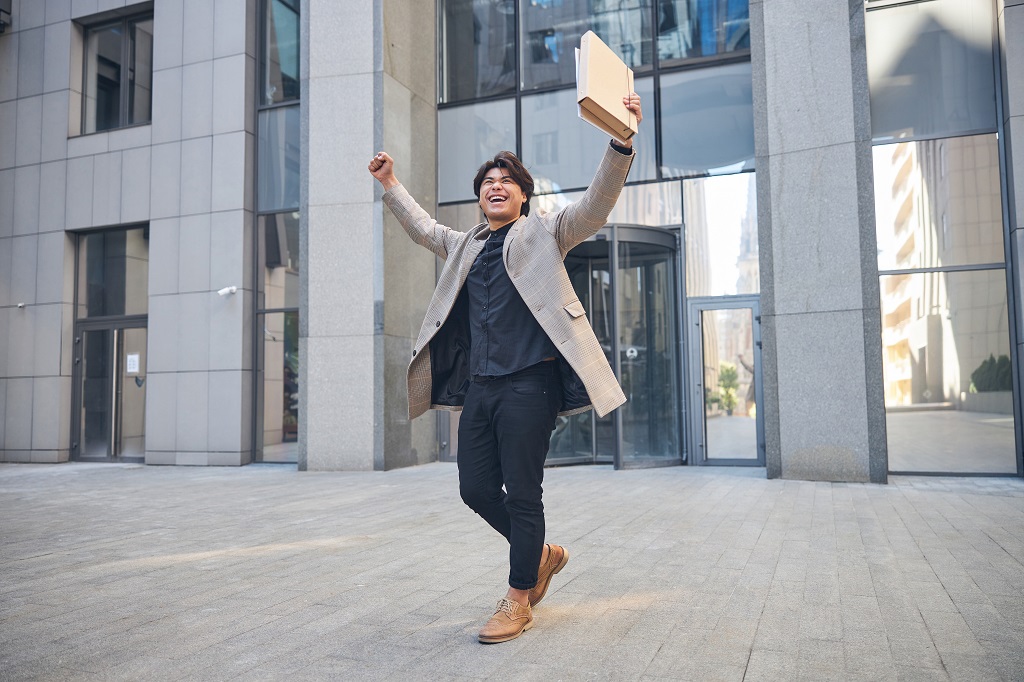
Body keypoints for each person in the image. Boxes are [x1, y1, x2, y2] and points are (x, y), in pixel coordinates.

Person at [368, 93, 642, 644]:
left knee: (523, 492)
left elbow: (594, 206)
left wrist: (622, 143)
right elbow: (424, 229)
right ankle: (539, 553)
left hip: (531, 383)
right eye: (488, 182)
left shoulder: (546, 233)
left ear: (523, 195)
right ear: (479, 198)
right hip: (481, 388)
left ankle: (518, 598)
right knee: (474, 489)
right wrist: (390, 184)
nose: (496, 186)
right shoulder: (465, 244)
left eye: (507, 181)